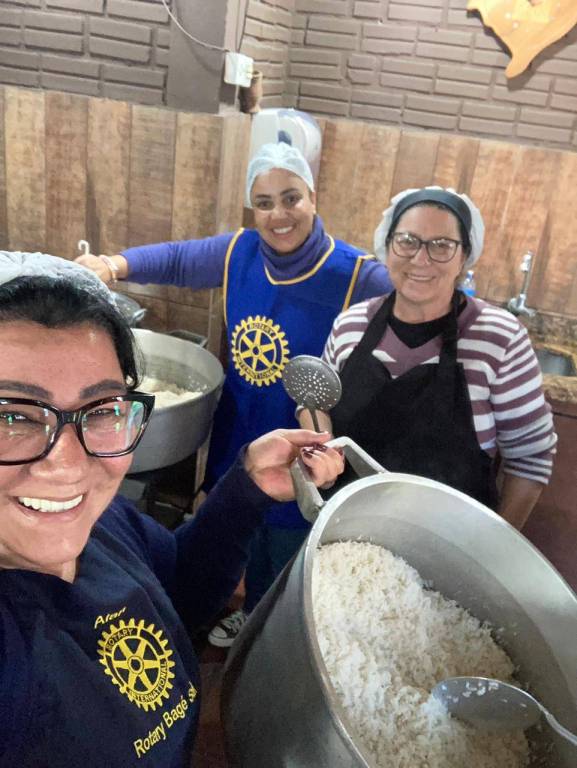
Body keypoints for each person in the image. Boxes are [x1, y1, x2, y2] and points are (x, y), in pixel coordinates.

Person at [0, 252, 344, 767]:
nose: (68, 464)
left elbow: (178, 590)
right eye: (12, 417)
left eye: (102, 409)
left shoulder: (103, 521)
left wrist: (246, 488)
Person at [76, 141, 393, 647]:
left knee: (286, 550)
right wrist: (111, 266)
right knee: (236, 529)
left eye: (291, 198)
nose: (278, 215)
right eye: (264, 203)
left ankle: (268, 630)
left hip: (301, 443)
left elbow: (419, 299)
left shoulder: (357, 274)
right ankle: (243, 612)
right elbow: (176, 260)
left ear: (313, 197)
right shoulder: (238, 252)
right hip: (238, 430)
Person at [302, 187, 557, 529]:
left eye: (442, 245)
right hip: (345, 535)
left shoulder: (500, 338)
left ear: (464, 256)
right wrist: (324, 448)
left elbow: (530, 459)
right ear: (387, 247)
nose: (421, 259)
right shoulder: (351, 325)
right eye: (407, 241)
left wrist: (492, 548)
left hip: (451, 546)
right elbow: (314, 403)